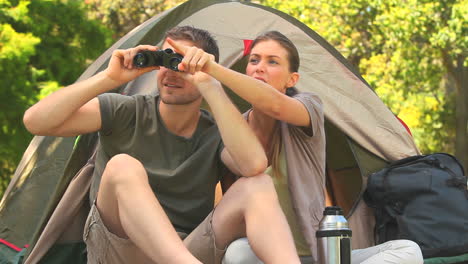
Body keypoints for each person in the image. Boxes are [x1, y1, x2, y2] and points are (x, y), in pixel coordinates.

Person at [23, 26, 301, 264]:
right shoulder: (125, 110)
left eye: (182, 65)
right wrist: (109, 79)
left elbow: (254, 165)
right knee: (123, 166)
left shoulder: (216, 131)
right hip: (119, 250)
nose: (172, 73)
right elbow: (36, 122)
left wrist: (212, 85)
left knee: (258, 184)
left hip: (185, 249)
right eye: (165, 62)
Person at [168, 31, 424, 264]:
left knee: (408, 250)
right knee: (238, 253)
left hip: (316, 254)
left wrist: (212, 69)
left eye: (272, 61)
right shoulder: (232, 127)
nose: (259, 68)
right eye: (254, 60)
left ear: (292, 79)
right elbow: (239, 171)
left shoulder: (308, 107)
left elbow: (275, 106)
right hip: (261, 255)